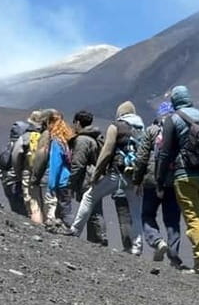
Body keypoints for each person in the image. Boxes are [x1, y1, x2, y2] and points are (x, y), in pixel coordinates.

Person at [64, 101, 144, 255]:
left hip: (117, 173)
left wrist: (97, 174)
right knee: (135, 211)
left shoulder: (116, 126)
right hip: (134, 176)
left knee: (89, 197)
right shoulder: (141, 128)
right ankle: (137, 247)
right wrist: (140, 178)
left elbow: (107, 151)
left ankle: (75, 230)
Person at [156, 86, 199, 276]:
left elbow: (164, 153)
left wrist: (160, 180)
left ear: (174, 101)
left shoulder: (174, 119)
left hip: (184, 176)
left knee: (192, 218)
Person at [134, 100, 186, 269]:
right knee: (172, 220)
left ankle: (156, 241)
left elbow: (142, 157)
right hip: (173, 180)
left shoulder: (151, 130)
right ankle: (174, 255)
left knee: (148, 215)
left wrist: (137, 179)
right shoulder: (179, 130)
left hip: (152, 180)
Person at [68, 110, 107, 246]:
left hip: (87, 178)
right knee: (95, 208)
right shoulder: (94, 138)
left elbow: (78, 164)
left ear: (78, 122)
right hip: (96, 177)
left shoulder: (82, 140)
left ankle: (98, 239)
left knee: (91, 209)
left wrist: (70, 183)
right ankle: (97, 238)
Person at [12, 110, 47, 224]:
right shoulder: (47, 137)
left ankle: (38, 226)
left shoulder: (25, 137)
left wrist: (19, 173)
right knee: (47, 202)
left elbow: (16, 156)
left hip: (29, 171)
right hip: (45, 173)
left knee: (33, 202)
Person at [0, 120, 29, 216]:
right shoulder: (21, 146)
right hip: (17, 184)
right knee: (23, 211)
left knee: (15, 209)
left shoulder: (7, 147)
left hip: (7, 184)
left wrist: (4, 178)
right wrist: (17, 177)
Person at [46, 112, 74, 229]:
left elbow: (55, 165)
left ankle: (71, 230)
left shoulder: (56, 142)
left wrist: (51, 185)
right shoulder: (66, 140)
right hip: (68, 178)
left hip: (61, 181)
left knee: (64, 209)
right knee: (64, 207)